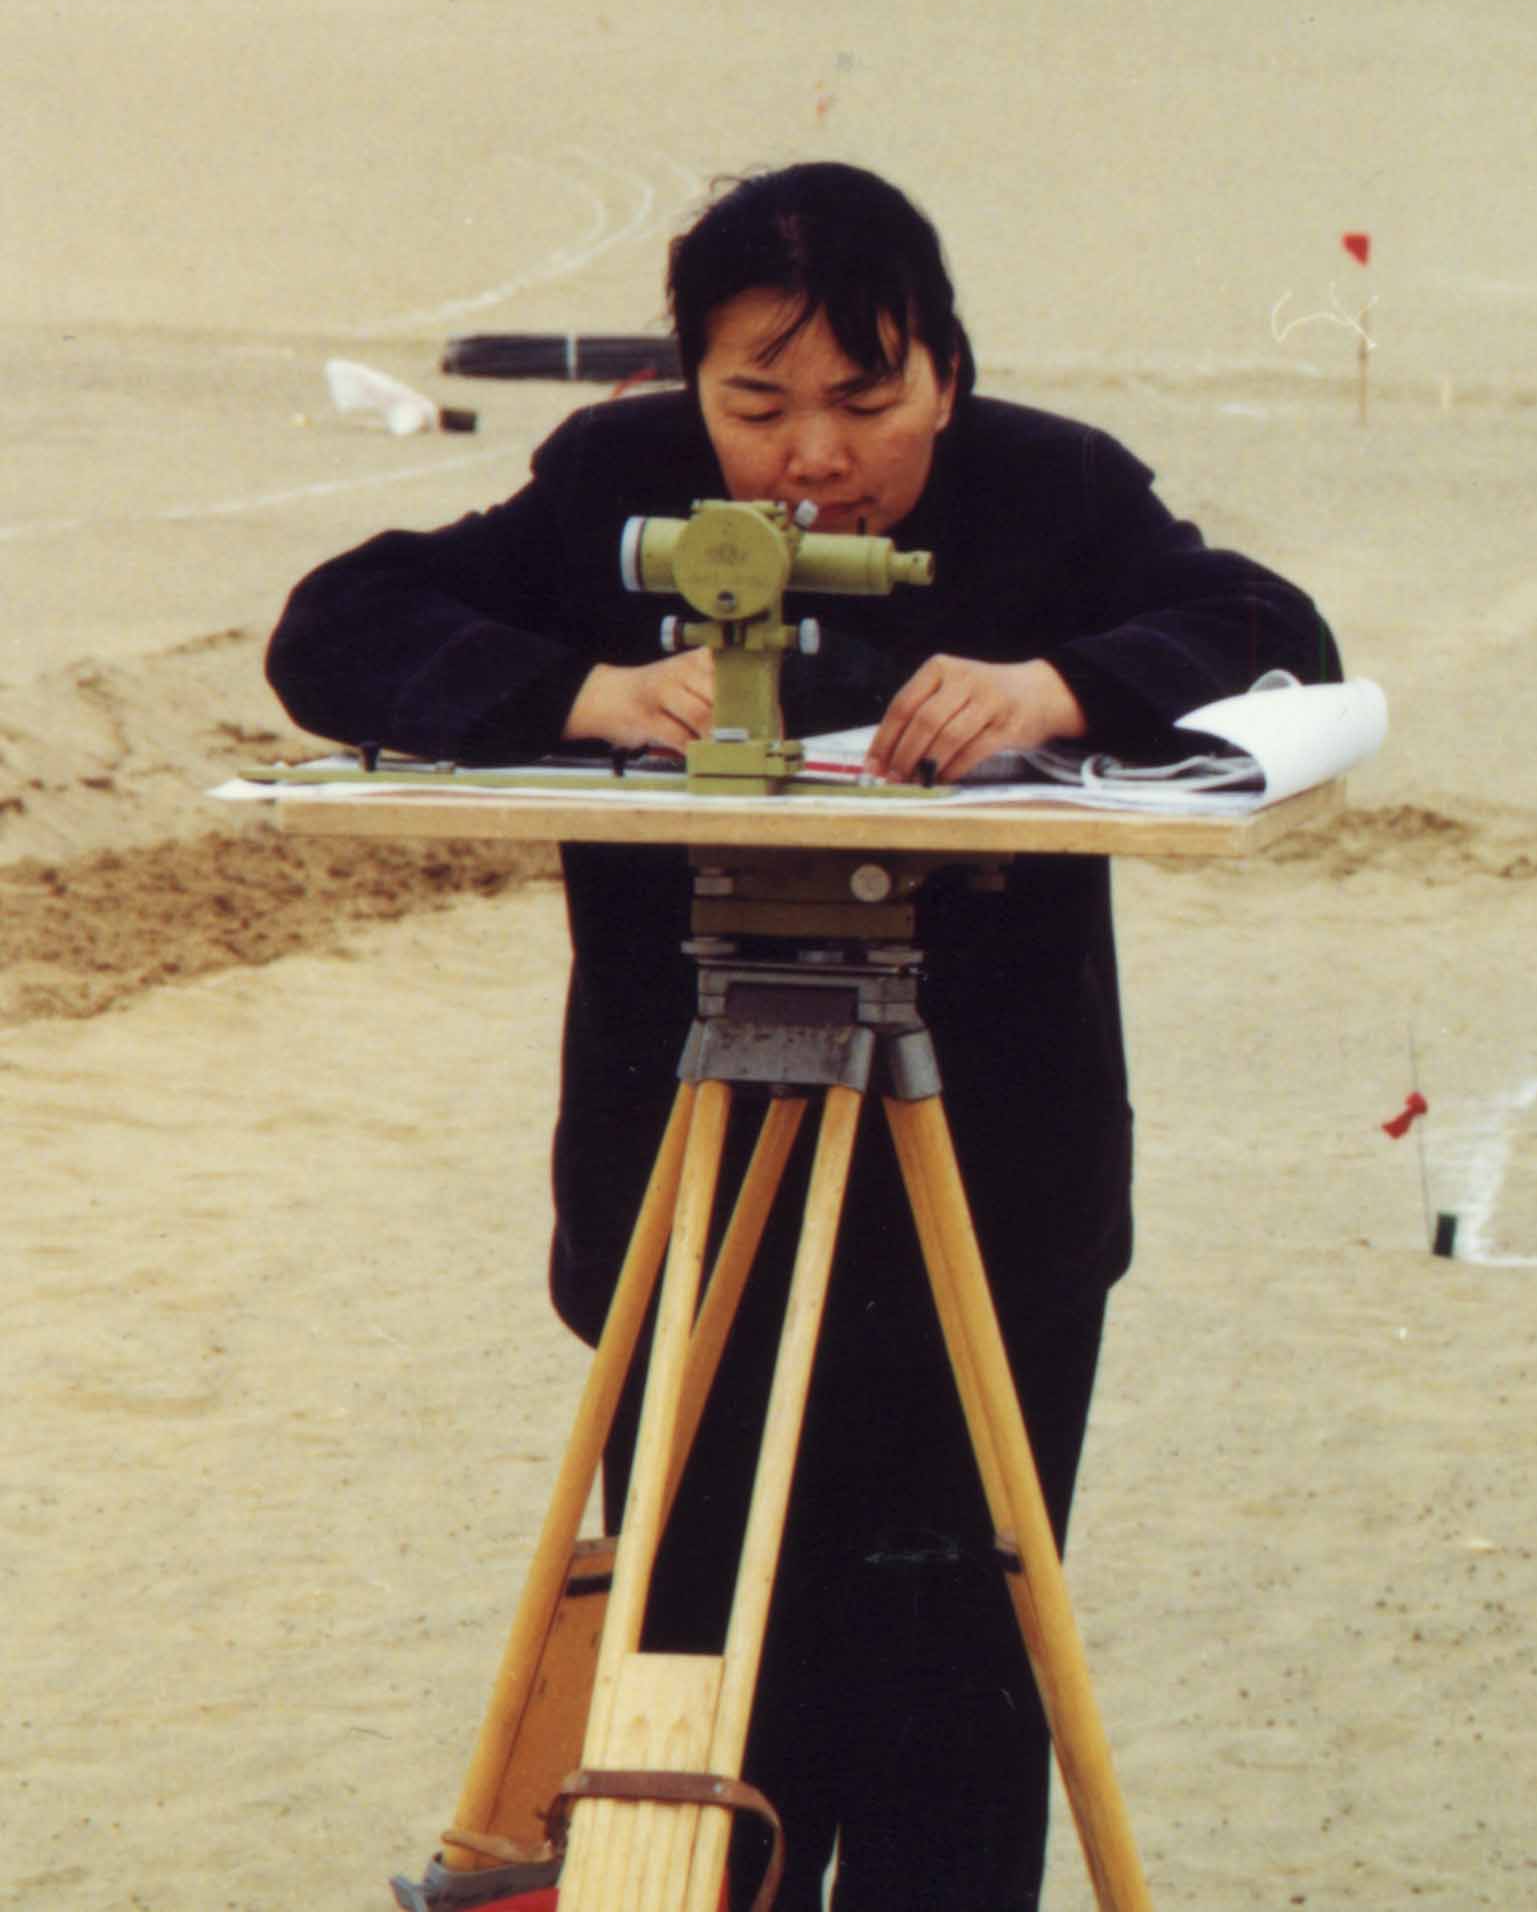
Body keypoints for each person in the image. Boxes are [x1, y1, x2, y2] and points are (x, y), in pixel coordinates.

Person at [267, 162, 1339, 1909]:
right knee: (705, 1692)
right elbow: (337, 625)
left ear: (948, 369)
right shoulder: (614, 485)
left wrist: (1052, 690)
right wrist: (582, 695)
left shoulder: (1053, 488)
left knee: (956, 1697)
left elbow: (1271, 632)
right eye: (753, 403)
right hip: (696, 1194)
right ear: (687, 383)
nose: (810, 459)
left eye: (864, 399)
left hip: (983, 1187)